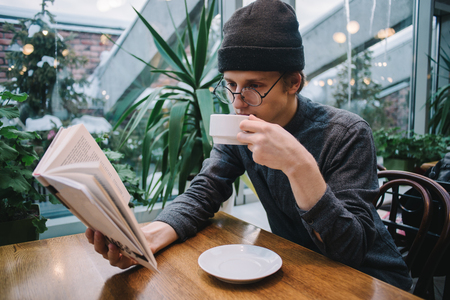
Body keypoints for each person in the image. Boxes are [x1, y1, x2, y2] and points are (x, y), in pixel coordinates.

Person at [86, 0, 413, 290]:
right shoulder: (240, 126)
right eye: (231, 85)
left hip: (373, 282)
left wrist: (298, 166)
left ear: (294, 82)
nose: (239, 103)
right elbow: (204, 191)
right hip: (298, 270)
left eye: (254, 86)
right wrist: (150, 236)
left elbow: (351, 252)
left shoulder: (348, 134)